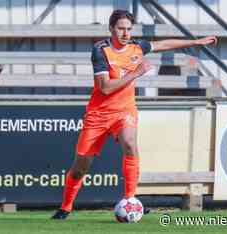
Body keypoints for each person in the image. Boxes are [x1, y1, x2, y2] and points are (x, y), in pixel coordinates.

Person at [52, 9, 217, 219]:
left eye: (129, 29)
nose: (125, 33)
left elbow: (163, 45)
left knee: (130, 144)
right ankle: (66, 207)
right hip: (99, 114)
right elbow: (106, 88)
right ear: (111, 28)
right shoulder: (100, 50)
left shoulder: (137, 47)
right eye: (121, 28)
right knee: (80, 166)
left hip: (124, 111)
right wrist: (136, 73)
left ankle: (130, 199)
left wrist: (194, 43)